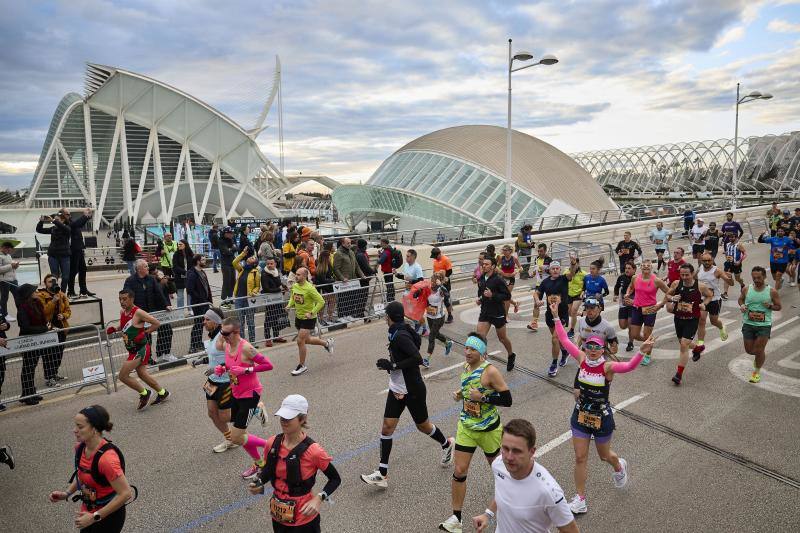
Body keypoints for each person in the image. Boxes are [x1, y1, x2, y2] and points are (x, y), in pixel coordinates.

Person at [552, 303, 651, 515]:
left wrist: (641, 352)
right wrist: (556, 317)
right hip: (580, 414)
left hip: (601, 417)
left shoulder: (607, 366)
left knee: (604, 456)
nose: (593, 350)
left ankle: (619, 466)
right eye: (590, 346)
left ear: (602, 349)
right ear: (586, 347)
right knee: (580, 457)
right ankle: (580, 498)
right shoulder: (581, 358)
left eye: (597, 347)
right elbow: (563, 339)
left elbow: (629, 367)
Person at [361, 300, 455, 488]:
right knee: (387, 427)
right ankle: (382, 473)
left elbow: (417, 358)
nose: (385, 318)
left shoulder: (400, 334)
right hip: (397, 388)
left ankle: (446, 444)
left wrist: (393, 365)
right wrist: (392, 366)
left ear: (388, 317)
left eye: (385, 315)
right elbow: (417, 342)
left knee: (423, 426)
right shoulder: (398, 330)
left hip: (412, 389)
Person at [439, 332, 512, 533]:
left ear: (481, 352)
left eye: (472, 349)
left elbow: (507, 399)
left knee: (501, 473)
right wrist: (460, 394)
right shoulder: (465, 366)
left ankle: (509, 506)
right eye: (466, 348)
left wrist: (483, 398)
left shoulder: (490, 372)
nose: (467, 352)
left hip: (488, 430)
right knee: (459, 471)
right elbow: (469, 387)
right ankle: (456, 518)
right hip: (467, 427)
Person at [249, 394, 342, 533]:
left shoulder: (314, 451)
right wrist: (259, 481)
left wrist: (319, 498)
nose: (283, 421)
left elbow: (335, 479)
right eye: (282, 417)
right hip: (278, 514)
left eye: (288, 418)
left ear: (302, 419)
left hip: (304, 518)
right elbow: (268, 470)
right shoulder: (272, 443)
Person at [471, 418, 578, 533]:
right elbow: (503, 491)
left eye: (517, 451)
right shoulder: (498, 464)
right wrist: (488, 514)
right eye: (505, 448)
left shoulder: (548, 492)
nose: (509, 457)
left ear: (532, 451)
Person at [48, 405, 133, 532]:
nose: (74, 430)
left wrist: (94, 517)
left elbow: (126, 494)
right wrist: (66, 493)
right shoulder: (80, 448)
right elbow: (83, 475)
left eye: (80, 427)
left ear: (94, 429)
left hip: (108, 516)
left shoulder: (107, 460)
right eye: (75, 425)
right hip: (88, 511)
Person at [212, 316, 274, 479]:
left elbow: (268, 365)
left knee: (236, 437)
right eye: (221, 332)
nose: (222, 336)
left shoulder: (246, 348)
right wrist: (222, 368)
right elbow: (231, 365)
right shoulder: (226, 345)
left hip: (250, 394)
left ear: (236, 332)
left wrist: (247, 370)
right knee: (241, 437)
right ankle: (260, 464)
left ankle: (272, 446)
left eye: (225, 333)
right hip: (236, 392)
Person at [106, 289, 170, 409]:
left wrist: (145, 332)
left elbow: (156, 323)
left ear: (132, 299)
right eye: (120, 299)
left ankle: (145, 393)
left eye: (124, 299)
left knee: (123, 376)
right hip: (132, 350)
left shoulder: (138, 312)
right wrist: (115, 328)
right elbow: (125, 325)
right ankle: (162, 393)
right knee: (142, 374)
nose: (122, 301)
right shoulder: (123, 312)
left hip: (141, 349)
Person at [664, 263, 714, 386]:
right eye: (682, 275)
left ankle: (678, 375)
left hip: (692, 319)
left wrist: (704, 304)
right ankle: (697, 348)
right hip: (679, 318)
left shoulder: (700, 286)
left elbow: (709, 295)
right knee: (682, 341)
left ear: (692, 274)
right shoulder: (676, 283)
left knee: (684, 345)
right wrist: (672, 298)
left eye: (687, 275)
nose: (685, 277)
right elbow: (667, 294)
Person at [199, 307, 236, 452]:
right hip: (212, 381)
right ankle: (230, 439)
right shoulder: (212, 336)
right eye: (204, 319)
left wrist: (217, 368)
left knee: (225, 417)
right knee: (212, 413)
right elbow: (214, 356)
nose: (204, 322)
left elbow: (234, 359)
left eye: (207, 319)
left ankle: (254, 408)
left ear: (215, 322)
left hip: (226, 381)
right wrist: (202, 361)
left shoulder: (223, 337)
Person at [739, 266, 781, 384]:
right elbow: (740, 299)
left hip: (764, 325)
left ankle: (756, 372)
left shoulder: (771, 291)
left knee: (758, 350)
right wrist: (742, 305)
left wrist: (770, 306)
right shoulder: (747, 289)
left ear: (764, 277)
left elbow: (779, 306)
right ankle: (759, 357)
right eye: (754, 278)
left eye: (759, 278)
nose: (756, 280)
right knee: (749, 350)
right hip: (748, 323)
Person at [286, 267, 332, 375]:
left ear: (305, 276)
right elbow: (293, 297)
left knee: (299, 340)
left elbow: (321, 301)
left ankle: (302, 365)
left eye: (299, 275)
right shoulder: (295, 286)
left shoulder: (310, 288)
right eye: (296, 274)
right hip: (299, 317)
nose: (296, 276)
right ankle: (327, 344)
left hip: (309, 318)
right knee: (306, 340)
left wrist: (312, 312)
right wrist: (289, 305)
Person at [475, 257, 516, 371]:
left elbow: (507, 296)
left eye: (487, 264)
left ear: (493, 266)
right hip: (485, 312)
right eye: (483, 264)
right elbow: (481, 292)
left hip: (497, 312)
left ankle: (511, 355)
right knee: (480, 338)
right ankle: (484, 363)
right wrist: (480, 299)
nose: (484, 266)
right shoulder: (482, 278)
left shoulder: (498, 280)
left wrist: (492, 295)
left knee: (502, 338)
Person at [624, 259, 669, 359]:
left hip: (650, 310)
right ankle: (649, 341)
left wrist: (661, 304)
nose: (645, 267)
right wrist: (628, 294)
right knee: (634, 334)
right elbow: (631, 287)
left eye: (648, 266)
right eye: (643, 265)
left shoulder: (657, 280)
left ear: (651, 268)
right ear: (640, 267)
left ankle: (648, 356)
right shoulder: (635, 277)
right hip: (636, 308)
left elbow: (669, 292)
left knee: (646, 334)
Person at [533, 261, 571, 376]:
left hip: (562, 314)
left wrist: (573, 263)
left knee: (555, 338)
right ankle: (565, 352)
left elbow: (572, 273)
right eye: (553, 268)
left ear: (560, 270)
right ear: (549, 270)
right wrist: (538, 300)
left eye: (557, 268)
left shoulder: (564, 279)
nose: (555, 270)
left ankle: (554, 364)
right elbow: (536, 293)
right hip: (550, 315)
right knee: (558, 340)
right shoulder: (545, 282)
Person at [36, 273, 71, 387]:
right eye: (50, 281)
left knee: (58, 353)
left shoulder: (61, 294)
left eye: (54, 281)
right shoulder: (40, 295)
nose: (53, 283)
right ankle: (49, 378)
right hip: (48, 329)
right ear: (45, 283)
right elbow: (43, 312)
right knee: (49, 355)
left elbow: (68, 310)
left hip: (61, 328)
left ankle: (54, 374)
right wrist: (53, 301)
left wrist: (64, 316)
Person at [16, 283, 48, 405]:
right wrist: (43, 329)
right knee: (27, 368)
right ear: (28, 294)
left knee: (32, 367)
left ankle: (30, 392)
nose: (37, 292)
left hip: (37, 341)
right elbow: (25, 327)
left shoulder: (37, 304)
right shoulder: (23, 308)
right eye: (34, 291)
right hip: (28, 342)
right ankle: (27, 394)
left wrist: (45, 326)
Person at [696, 252, 733, 349]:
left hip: (714, 299)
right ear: (701, 261)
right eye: (704, 260)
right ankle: (700, 343)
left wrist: (730, 277)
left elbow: (731, 283)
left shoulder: (717, 271)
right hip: (702, 299)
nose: (707, 262)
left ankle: (721, 327)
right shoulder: (699, 269)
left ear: (712, 260)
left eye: (709, 260)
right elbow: (694, 279)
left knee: (714, 321)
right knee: (701, 320)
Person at [421, 271, 453, 368]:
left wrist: (441, 286)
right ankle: (448, 343)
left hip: (439, 317)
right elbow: (425, 298)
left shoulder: (440, 290)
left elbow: (447, 295)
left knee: (431, 337)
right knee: (436, 334)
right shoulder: (429, 288)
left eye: (435, 281)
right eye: (432, 281)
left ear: (439, 281)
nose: (433, 283)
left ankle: (427, 359)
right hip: (430, 316)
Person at [63, 208, 94, 298]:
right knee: (73, 271)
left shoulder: (70, 221)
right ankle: (71, 291)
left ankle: (83, 290)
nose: (70, 215)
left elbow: (79, 224)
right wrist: (84, 216)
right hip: (73, 249)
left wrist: (87, 217)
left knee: (83, 269)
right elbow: (75, 224)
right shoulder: (65, 223)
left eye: (69, 214)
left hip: (79, 248)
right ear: (63, 215)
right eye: (67, 214)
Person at [36, 213, 71, 291]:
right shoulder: (53, 229)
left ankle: (63, 292)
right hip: (53, 256)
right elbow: (39, 230)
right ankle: (55, 292)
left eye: (57, 220)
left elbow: (65, 229)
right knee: (54, 276)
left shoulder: (67, 228)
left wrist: (53, 220)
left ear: (63, 220)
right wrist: (41, 221)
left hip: (65, 256)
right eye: (54, 220)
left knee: (65, 277)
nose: (54, 222)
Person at [186, 254, 214, 353]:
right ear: (198, 261)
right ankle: (193, 346)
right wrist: (201, 299)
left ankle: (198, 343)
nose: (205, 261)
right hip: (198, 304)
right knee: (198, 324)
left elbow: (207, 287)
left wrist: (209, 300)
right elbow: (190, 290)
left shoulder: (202, 272)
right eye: (203, 260)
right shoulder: (192, 273)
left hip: (205, 303)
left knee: (202, 323)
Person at [232, 248, 261, 344]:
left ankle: (253, 342)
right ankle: (242, 342)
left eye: (253, 258)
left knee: (250, 322)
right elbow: (234, 262)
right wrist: (243, 254)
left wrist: (254, 291)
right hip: (239, 299)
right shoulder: (242, 269)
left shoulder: (256, 272)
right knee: (240, 322)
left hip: (249, 300)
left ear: (254, 263)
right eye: (251, 256)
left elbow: (257, 286)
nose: (250, 257)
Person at [261, 257, 289, 346]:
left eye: (271, 263)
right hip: (270, 300)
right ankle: (268, 339)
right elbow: (266, 289)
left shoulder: (276, 272)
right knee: (269, 320)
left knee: (277, 317)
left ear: (275, 264)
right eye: (268, 264)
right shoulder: (264, 274)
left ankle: (276, 336)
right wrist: (279, 290)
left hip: (278, 299)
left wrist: (284, 286)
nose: (269, 265)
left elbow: (279, 282)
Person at [527, 243, 552, 332]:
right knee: (536, 304)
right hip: (539, 284)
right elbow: (536, 270)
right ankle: (534, 323)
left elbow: (553, 272)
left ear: (545, 251)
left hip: (549, 284)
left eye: (541, 251)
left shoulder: (549, 260)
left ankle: (556, 321)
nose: (539, 253)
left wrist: (544, 269)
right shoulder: (536, 259)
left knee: (551, 305)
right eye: (538, 251)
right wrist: (532, 274)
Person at [613, 261, 636, 352]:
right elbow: (616, 286)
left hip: (632, 304)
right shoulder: (621, 277)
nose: (627, 270)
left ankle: (630, 343)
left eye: (629, 268)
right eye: (626, 268)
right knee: (622, 325)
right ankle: (633, 327)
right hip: (623, 304)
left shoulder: (637, 278)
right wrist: (615, 294)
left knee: (630, 325)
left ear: (634, 270)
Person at [431, 247, 455, 323]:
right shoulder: (435, 261)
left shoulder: (446, 259)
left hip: (445, 282)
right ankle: (437, 316)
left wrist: (444, 278)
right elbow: (434, 271)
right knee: (436, 299)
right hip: (437, 282)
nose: (434, 258)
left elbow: (450, 271)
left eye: (435, 256)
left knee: (446, 300)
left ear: (439, 254)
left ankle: (450, 315)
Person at [565, 255, 586, 339]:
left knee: (573, 311)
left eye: (575, 262)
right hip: (569, 294)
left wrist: (583, 292)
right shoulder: (566, 272)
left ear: (578, 263)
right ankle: (581, 314)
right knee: (570, 313)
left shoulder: (583, 274)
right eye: (571, 263)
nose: (573, 264)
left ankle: (572, 330)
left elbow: (586, 285)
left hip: (578, 294)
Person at [497, 245, 521, 317]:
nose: (504, 252)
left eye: (505, 250)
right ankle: (515, 303)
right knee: (504, 296)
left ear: (510, 251)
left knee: (506, 296)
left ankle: (506, 315)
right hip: (503, 278)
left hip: (511, 279)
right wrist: (501, 272)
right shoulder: (501, 258)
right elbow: (497, 266)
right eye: (503, 250)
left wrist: (516, 271)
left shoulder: (514, 258)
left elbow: (520, 267)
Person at [314, 249, 337, 326]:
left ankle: (330, 317)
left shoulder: (329, 264)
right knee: (322, 305)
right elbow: (323, 280)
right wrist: (333, 280)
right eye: (329, 256)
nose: (330, 257)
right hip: (322, 288)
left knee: (332, 302)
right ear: (326, 257)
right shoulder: (321, 267)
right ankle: (321, 319)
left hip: (330, 288)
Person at [722, 234, 747, 299]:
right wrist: (726, 258)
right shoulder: (727, 244)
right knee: (726, 278)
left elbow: (745, 254)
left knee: (737, 279)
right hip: (728, 263)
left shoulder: (739, 245)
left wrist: (739, 261)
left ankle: (742, 284)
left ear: (735, 237)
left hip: (736, 264)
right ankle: (725, 293)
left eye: (732, 237)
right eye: (729, 237)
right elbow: (727, 252)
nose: (730, 238)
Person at [0, 241, 20, 320]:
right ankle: (5, 315)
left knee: (18, 296)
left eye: (10, 251)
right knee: (4, 298)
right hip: (4, 280)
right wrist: (11, 265)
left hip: (13, 279)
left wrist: (15, 266)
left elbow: (10, 268)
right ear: (4, 248)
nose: (9, 252)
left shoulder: (8, 255)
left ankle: (21, 311)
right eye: (8, 250)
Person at [171, 239, 193, 308]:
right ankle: (180, 311)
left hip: (189, 276)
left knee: (189, 294)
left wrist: (190, 272)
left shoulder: (190, 254)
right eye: (178, 244)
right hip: (179, 276)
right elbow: (175, 267)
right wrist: (184, 272)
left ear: (185, 245)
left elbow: (193, 264)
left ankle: (190, 309)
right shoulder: (176, 254)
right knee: (180, 296)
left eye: (181, 244)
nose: (179, 245)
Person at [219, 227, 237, 302]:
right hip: (225, 263)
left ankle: (230, 297)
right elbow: (226, 252)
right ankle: (223, 299)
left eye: (231, 233)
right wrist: (232, 249)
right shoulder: (221, 241)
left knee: (233, 281)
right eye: (229, 233)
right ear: (225, 233)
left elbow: (237, 248)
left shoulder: (231, 240)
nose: (231, 235)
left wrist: (231, 249)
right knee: (226, 281)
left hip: (232, 262)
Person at [377, 238, 397, 303]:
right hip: (390, 270)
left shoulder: (386, 252)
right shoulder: (390, 249)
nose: (380, 244)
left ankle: (390, 298)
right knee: (391, 284)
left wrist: (378, 257)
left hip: (387, 271)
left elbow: (380, 261)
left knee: (388, 284)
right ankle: (392, 297)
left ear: (385, 243)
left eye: (381, 243)